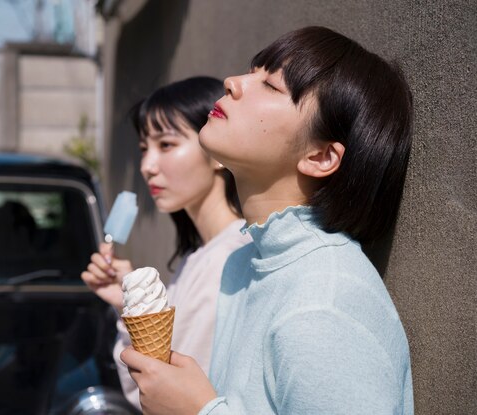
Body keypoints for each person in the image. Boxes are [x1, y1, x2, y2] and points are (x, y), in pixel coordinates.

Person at [119, 26, 415, 414]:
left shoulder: (327, 303)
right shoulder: (242, 265)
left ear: (321, 156)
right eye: (252, 70)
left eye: (272, 86)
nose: (233, 82)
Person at [81, 76, 250, 410]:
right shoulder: (199, 257)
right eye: (145, 148)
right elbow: (150, 392)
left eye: (167, 145)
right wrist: (128, 303)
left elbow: (163, 394)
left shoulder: (233, 258)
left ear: (217, 149)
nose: (146, 166)